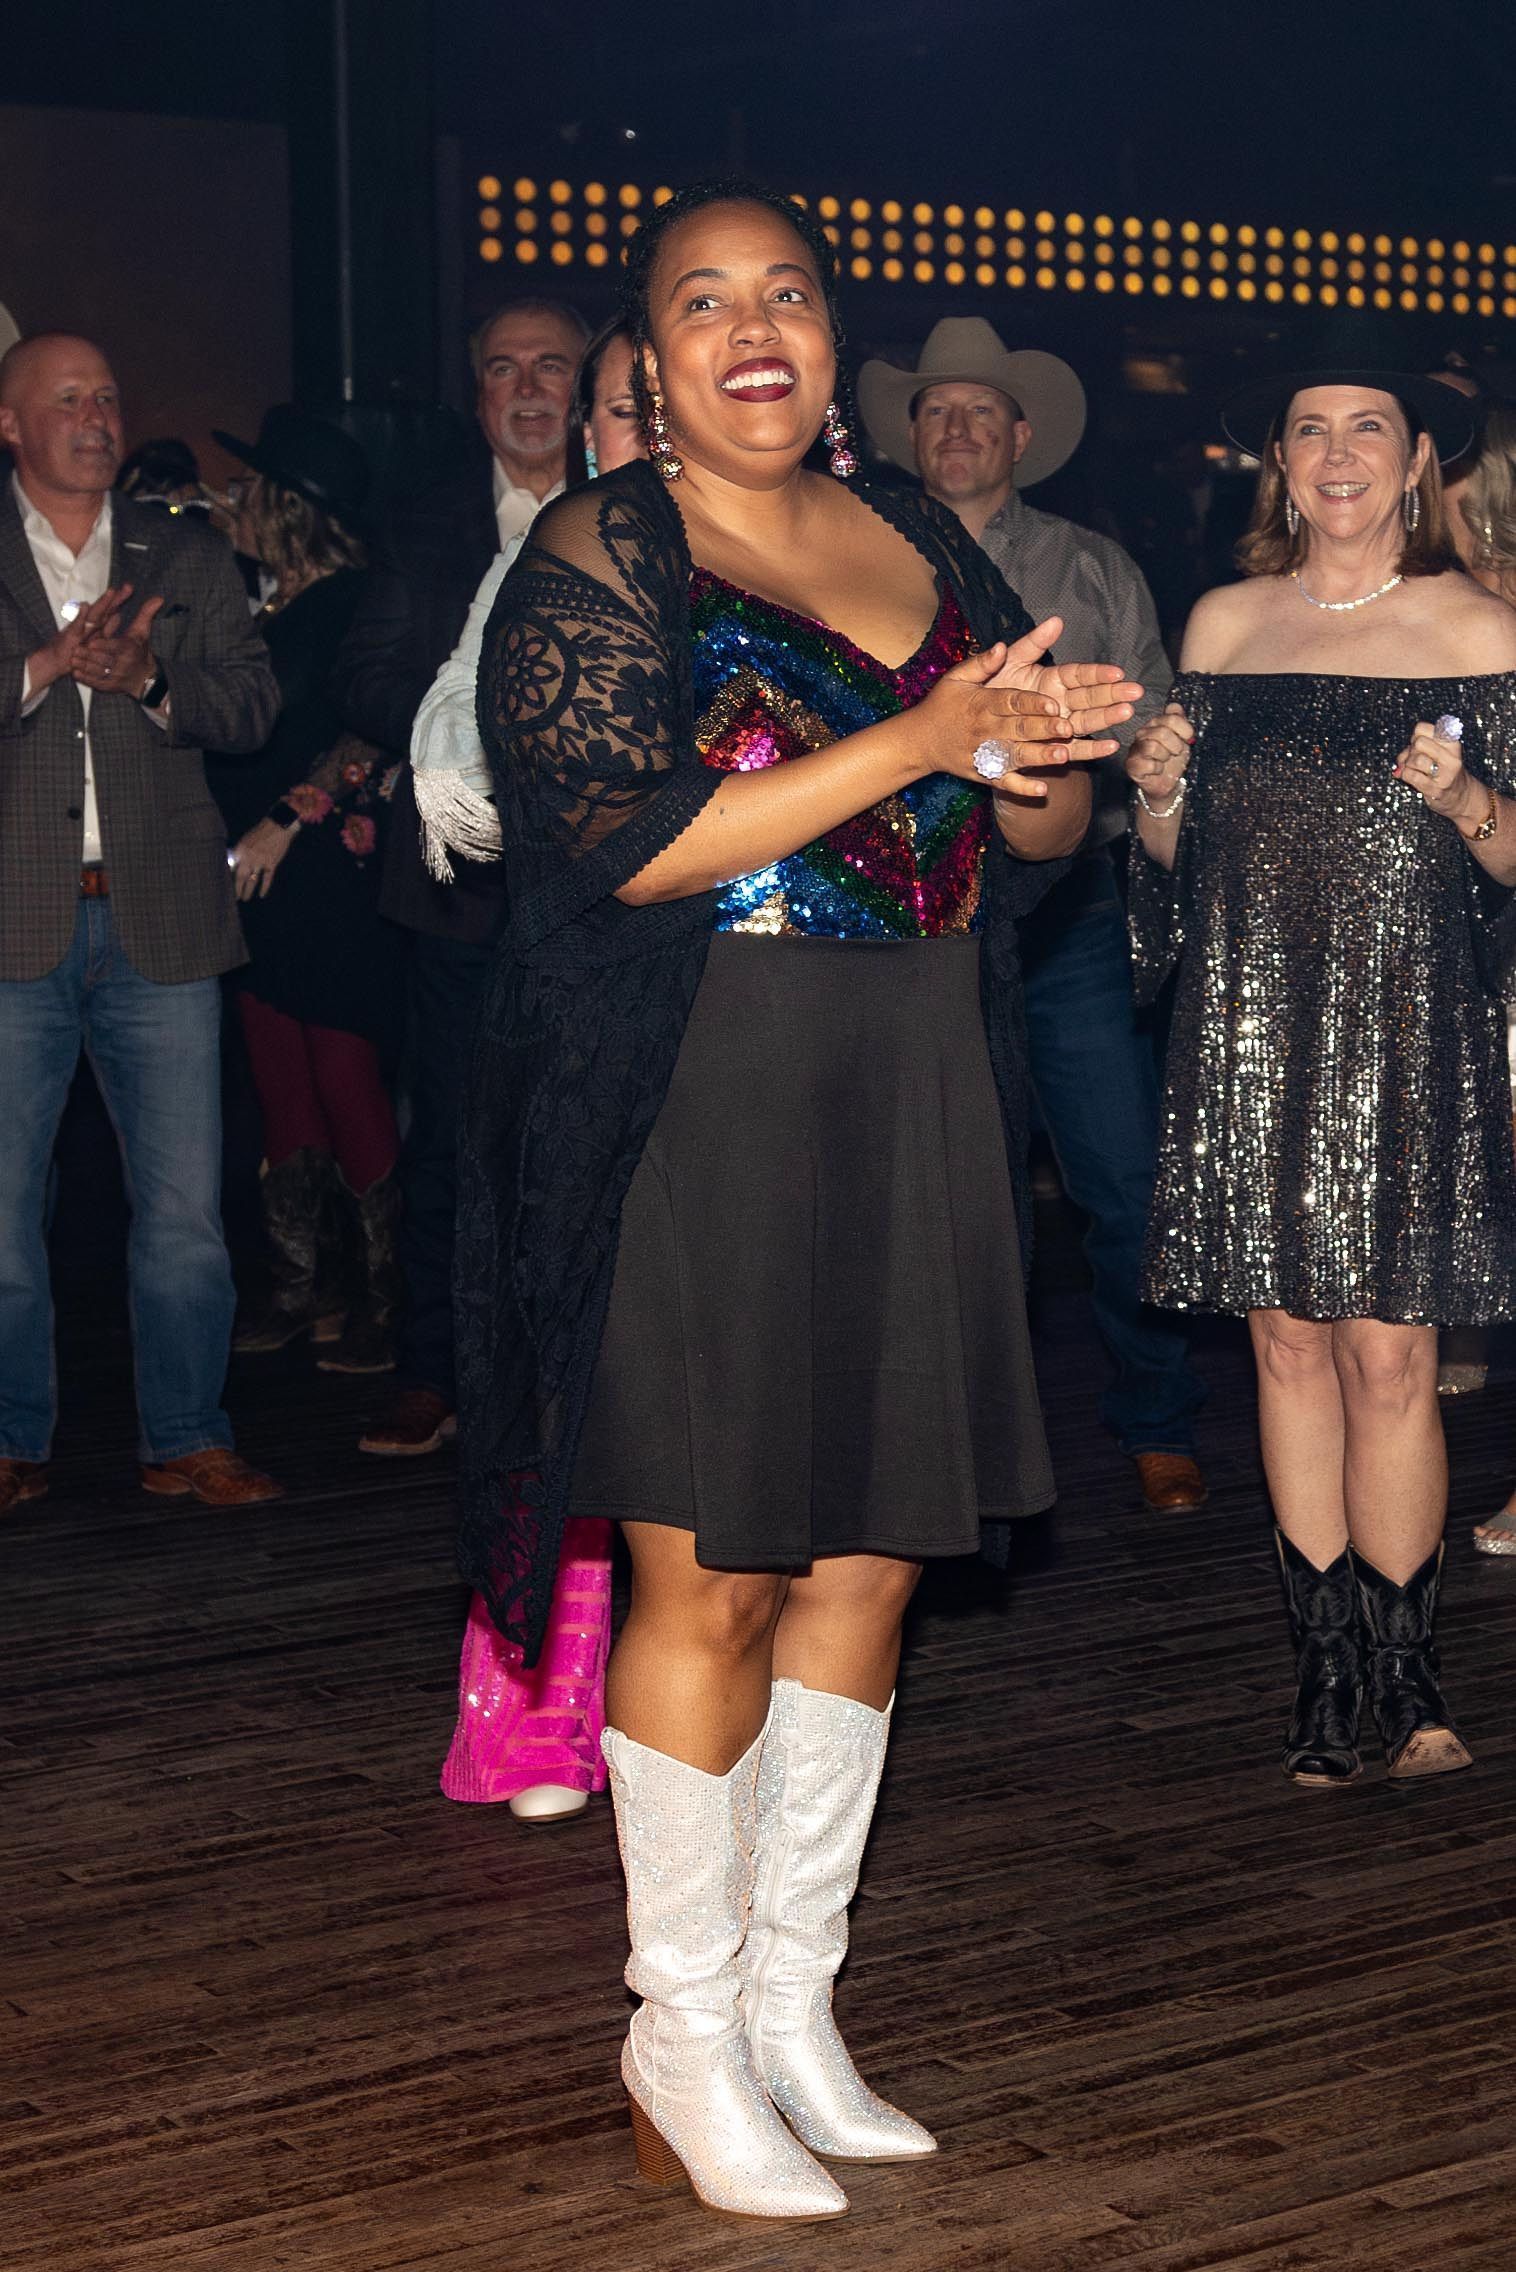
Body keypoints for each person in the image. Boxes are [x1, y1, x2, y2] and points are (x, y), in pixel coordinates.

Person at [457, 181, 1141, 2220]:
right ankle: (675, 2018)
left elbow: (1033, 826)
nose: (752, 327)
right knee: (716, 1564)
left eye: (787, 295)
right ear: (649, 364)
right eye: (701, 301)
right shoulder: (604, 549)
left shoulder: (912, 539)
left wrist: (1024, 757)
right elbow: (619, 845)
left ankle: (789, 1997)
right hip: (706, 1082)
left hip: (921, 1065)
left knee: (867, 1558)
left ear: (828, 344)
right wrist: (922, 733)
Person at [1126, 361, 1516, 1786]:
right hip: (1248, 1026)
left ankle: (1411, 1683)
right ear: (1276, 467)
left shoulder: (1479, 625)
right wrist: (1160, 788)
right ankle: (1324, 1671)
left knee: (1391, 1352)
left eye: (1369, 432)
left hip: (1409, 1032)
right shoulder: (1225, 626)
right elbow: (1178, 867)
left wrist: (1472, 798)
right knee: (1283, 1346)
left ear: (1416, 463)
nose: (1338, 456)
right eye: (1310, 432)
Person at [860, 319, 1208, 1514]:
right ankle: (951, 1438)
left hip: (1070, 914)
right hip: (906, 911)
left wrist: (1068, 737)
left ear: (1020, 434)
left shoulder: (1093, 567)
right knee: (943, 1190)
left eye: (979, 411)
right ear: (911, 434)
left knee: (1119, 1179)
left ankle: (1156, 1418)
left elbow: (1160, 728)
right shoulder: (852, 554)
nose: (957, 429)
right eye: (936, 409)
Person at [421, 323, 644, 1823]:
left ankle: (693, 1710)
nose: (637, 429)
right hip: (581, 1008)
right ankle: (534, 1721)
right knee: (566, 1357)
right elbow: (454, 731)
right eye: (619, 407)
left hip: (756, 1025)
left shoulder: (808, 554)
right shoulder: (550, 562)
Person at [0, 333, 282, 1515]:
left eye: (108, 397)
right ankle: (12, 1440)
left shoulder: (188, 550)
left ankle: (187, 1435)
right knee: (4, 1212)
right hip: (13, 924)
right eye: (67, 398)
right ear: (11, 424)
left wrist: (146, 684)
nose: (96, 416)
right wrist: (42, 666)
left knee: (183, 1213)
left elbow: (255, 704)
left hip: (161, 921)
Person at [334, 296, 588, 1457]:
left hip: (608, 883)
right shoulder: (425, 523)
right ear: (478, 395)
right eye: (503, 368)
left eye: (551, 367)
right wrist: (504, 729)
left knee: (591, 1131)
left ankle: (576, 1375)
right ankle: (432, 1369)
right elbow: (373, 678)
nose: (529, 388)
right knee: (452, 1134)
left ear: (584, 389)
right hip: (459, 880)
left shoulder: (636, 506)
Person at [204, 406, 404, 1376]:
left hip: (324, 861)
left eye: (247, 489)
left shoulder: (359, 598)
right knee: (276, 1065)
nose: (231, 502)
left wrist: (290, 815)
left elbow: (377, 727)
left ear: (285, 505)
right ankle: (301, 1284)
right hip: (251, 867)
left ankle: (382, 1291)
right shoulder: (266, 600)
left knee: (340, 1070)